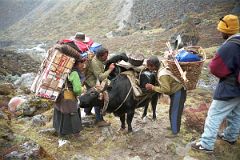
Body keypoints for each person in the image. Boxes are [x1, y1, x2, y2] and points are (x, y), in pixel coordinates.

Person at [191, 14, 240, 153]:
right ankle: (230, 137)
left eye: (221, 30)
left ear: (226, 30)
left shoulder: (229, 46)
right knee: (236, 113)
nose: (220, 32)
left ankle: (206, 144)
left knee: (214, 114)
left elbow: (215, 68)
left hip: (230, 87)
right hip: (239, 86)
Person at [145, 56, 187, 135]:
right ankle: (173, 127)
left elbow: (166, 89)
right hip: (175, 90)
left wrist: (152, 87)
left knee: (175, 112)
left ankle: (175, 132)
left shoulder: (162, 75)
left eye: (149, 66)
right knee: (172, 111)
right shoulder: (161, 64)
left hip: (178, 92)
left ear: (154, 66)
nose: (148, 68)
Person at [84, 47, 115, 127]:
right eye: (105, 56)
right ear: (100, 56)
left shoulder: (99, 60)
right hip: (91, 82)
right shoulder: (95, 63)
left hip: (91, 80)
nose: (106, 57)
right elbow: (100, 77)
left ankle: (87, 112)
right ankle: (99, 120)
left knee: (90, 97)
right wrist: (110, 70)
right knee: (97, 99)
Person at [53, 59, 85, 137]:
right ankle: (76, 134)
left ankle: (61, 133)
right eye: (81, 63)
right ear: (76, 64)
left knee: (61, 114)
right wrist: (82, 89)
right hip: (69, 98)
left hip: (59, 96)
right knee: (73, 115)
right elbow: (77, 90)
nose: (83, 65)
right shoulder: (74, 73)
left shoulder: (63, 70)